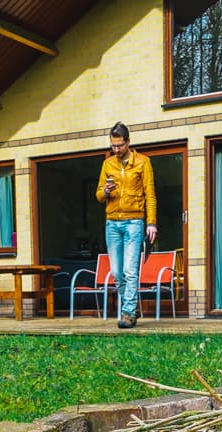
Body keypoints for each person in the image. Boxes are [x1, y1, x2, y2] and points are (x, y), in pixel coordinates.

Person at [96, 122, 157, 329]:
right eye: (113, 146)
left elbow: (150, 193)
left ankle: (128, 312)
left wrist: (151, 223)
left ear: (128, 142)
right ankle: (131, 306)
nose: (116, 150)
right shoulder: (108, 164)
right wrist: (105, 191)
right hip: (112, 223)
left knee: (130, 271)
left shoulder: (143, 162)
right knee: (117, 272)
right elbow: (98, 196)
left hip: (134, 222)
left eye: (119, 145)